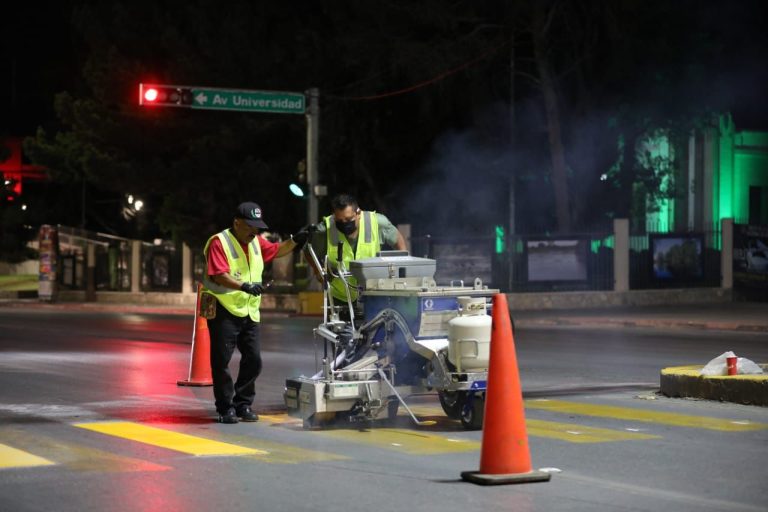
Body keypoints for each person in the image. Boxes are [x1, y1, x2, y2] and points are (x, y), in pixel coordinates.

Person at [201, 202, 311, 424]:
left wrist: (296, 240)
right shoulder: (219, 242)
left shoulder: (255, 242)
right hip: (224, 309)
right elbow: (219, 274)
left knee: (254, 360)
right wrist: (244, 286)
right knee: (221, 361)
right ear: (237, 222)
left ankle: (243, 404)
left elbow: (276, 250)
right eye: (250, 226)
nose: (255, 232)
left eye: (257, 227)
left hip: (249, 311)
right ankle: (225, 408)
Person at [310, 193, 407, 304]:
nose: (344, 224)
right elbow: (308, 251)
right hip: (339, 297)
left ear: (358, 213)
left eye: (348, 219)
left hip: (373, 292)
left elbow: (397, 240)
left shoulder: (378, 223)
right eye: (340, 221)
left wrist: (401, 267)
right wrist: (317, 270)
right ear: (334, 215)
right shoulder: (325, 230)